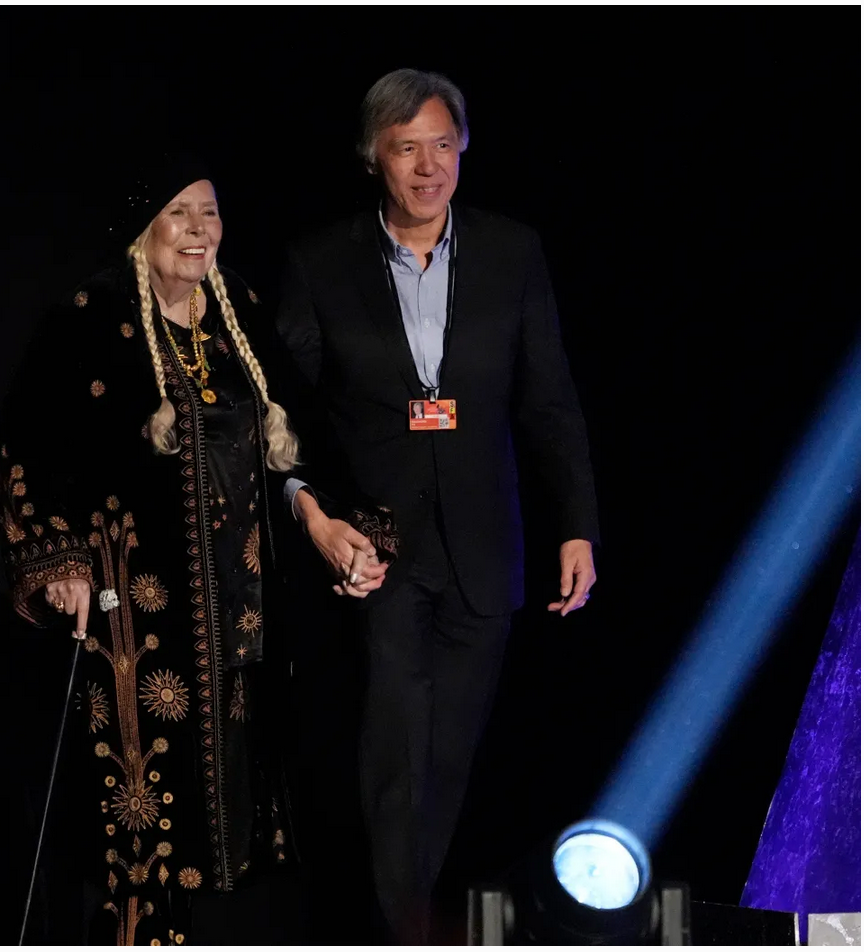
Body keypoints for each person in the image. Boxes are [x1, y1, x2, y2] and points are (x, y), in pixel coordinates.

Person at [0, 157, 363, 945]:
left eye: (211, 214)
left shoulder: (242, 318)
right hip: (135, 603)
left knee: (232, 800)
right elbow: (30, 440)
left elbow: (306, 437)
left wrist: (335, 520)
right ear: (143, 228)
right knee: (140, 791)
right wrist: (58, 558)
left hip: (240, 605)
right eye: (180, 214)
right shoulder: (90, 316)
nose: (199, 232)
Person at [275, 69, 600, 942]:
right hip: (375, 549)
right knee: (391, 754)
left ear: (464, 150)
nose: (428, 168)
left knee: (447, 761)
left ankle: (402, 920)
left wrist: (577, 524)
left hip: (485, 545)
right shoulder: (321, 262)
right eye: (406, 148)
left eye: (442, 146)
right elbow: (285, 413)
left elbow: (550, 400)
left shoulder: (512, 251)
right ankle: (398, 930)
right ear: (374, 158)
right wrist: (312, 509)